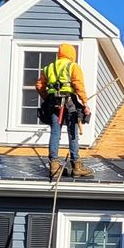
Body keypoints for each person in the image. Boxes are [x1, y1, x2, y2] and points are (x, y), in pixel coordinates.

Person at [36, 42, 89, 177]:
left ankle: (54, 165)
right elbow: (78, 85)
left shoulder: (49, 68)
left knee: (55, 132)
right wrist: (85, 103)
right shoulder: (73, 66)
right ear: (72, 55)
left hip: (54, 104)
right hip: (70, 104)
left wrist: (47, 98)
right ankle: (76, 166)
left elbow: (39, 86)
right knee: (73, 133)